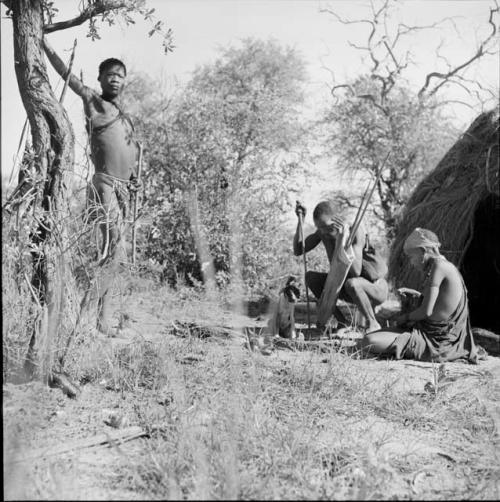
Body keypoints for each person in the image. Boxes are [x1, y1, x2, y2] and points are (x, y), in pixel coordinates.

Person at [43, 37, 141, 335]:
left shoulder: (125, 118)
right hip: (105, 184)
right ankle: (89, 312)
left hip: (123, 190)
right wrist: (44, 44)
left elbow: (130, 154)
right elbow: (66, 75)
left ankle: (101, 319)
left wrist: (134, 179)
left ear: (125, 82)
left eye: (120, 75)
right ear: (99, 78)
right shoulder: (93, 100)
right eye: (110, 74)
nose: (115, 79)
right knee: (117, 249)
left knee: (112, 253)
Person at [362, 228, 480, 363]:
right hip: (428, 332)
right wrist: (417, 295)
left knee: (368, 341)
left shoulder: (439, 266)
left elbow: (426, 311)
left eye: (412, 257)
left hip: (437, 340)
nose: (411, 263)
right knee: (372, 336)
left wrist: (404, 318)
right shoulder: (444, 265)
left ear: (423, 251)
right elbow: (439, 302)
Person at [294, 200, 388, 333]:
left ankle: (373, 323)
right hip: (348, 288)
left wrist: (341, 240)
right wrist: (300, 220)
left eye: (326, 227)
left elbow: (355, 272)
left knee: (352, 283)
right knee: (311, 278)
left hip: (374, 289)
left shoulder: (354, 232)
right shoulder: (323, 232)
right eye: (319, 228)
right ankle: (343, 322)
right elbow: (299, 250)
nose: (323, 232)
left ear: (338, 219)